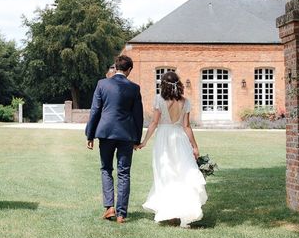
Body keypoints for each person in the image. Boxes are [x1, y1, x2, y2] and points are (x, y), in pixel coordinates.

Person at [136, 71, 207, 227]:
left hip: (163, 139)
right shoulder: (185, 102)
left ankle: (171, 212)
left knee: (165, 174)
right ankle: (181, 213)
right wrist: (194, 146)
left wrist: (144, 141)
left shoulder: (159, 100)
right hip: (180, 138)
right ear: (178, 84)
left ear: (163, 85)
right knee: (182, 174)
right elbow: (186, 126)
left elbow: (154, 123)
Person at [85, 55, 143, 224]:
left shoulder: (102, 84)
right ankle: (121, 214)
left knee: (106, 169)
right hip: (126, 135)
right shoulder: (134, 88)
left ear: (116, 67)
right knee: (124, 172)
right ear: (129, 70)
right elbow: (138, 116)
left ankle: (109, 207)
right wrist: (137, 139)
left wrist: (90, 135)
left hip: (106, 133)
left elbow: (95, 111)